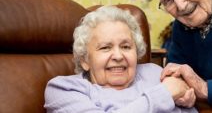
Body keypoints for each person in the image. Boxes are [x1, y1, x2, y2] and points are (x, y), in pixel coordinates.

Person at [44, 6, 198, 113]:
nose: (118, 56)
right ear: (85, 59)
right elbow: (168, 92)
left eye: (125, 47)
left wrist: (187, 98)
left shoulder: (154, 73)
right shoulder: (63, 89)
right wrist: (164, 94)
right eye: (105, 47)